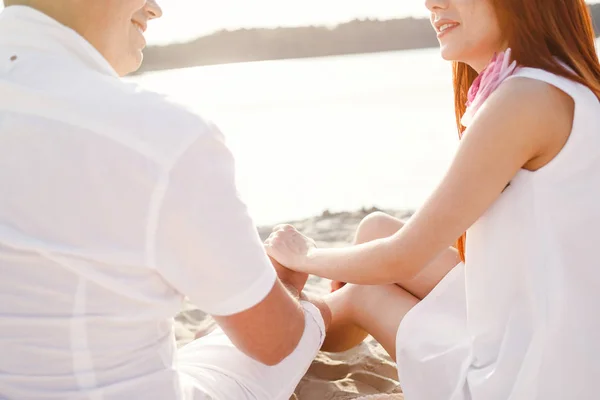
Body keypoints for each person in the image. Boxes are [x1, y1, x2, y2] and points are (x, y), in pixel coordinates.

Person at [266, 0, 600, 399]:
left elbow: (402, 258)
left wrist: (304, 255)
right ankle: (286, 312)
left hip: (537, 380)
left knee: (365, 291)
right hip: (557, 329)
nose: (431, 2)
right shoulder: (565, 84)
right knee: (374, 228)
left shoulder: (524, 99)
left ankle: (267, 329)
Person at [0, 1, 331, 399]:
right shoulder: (157, 133)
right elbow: (275, 343)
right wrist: (288, 289)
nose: (154, 9)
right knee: (314, 315)